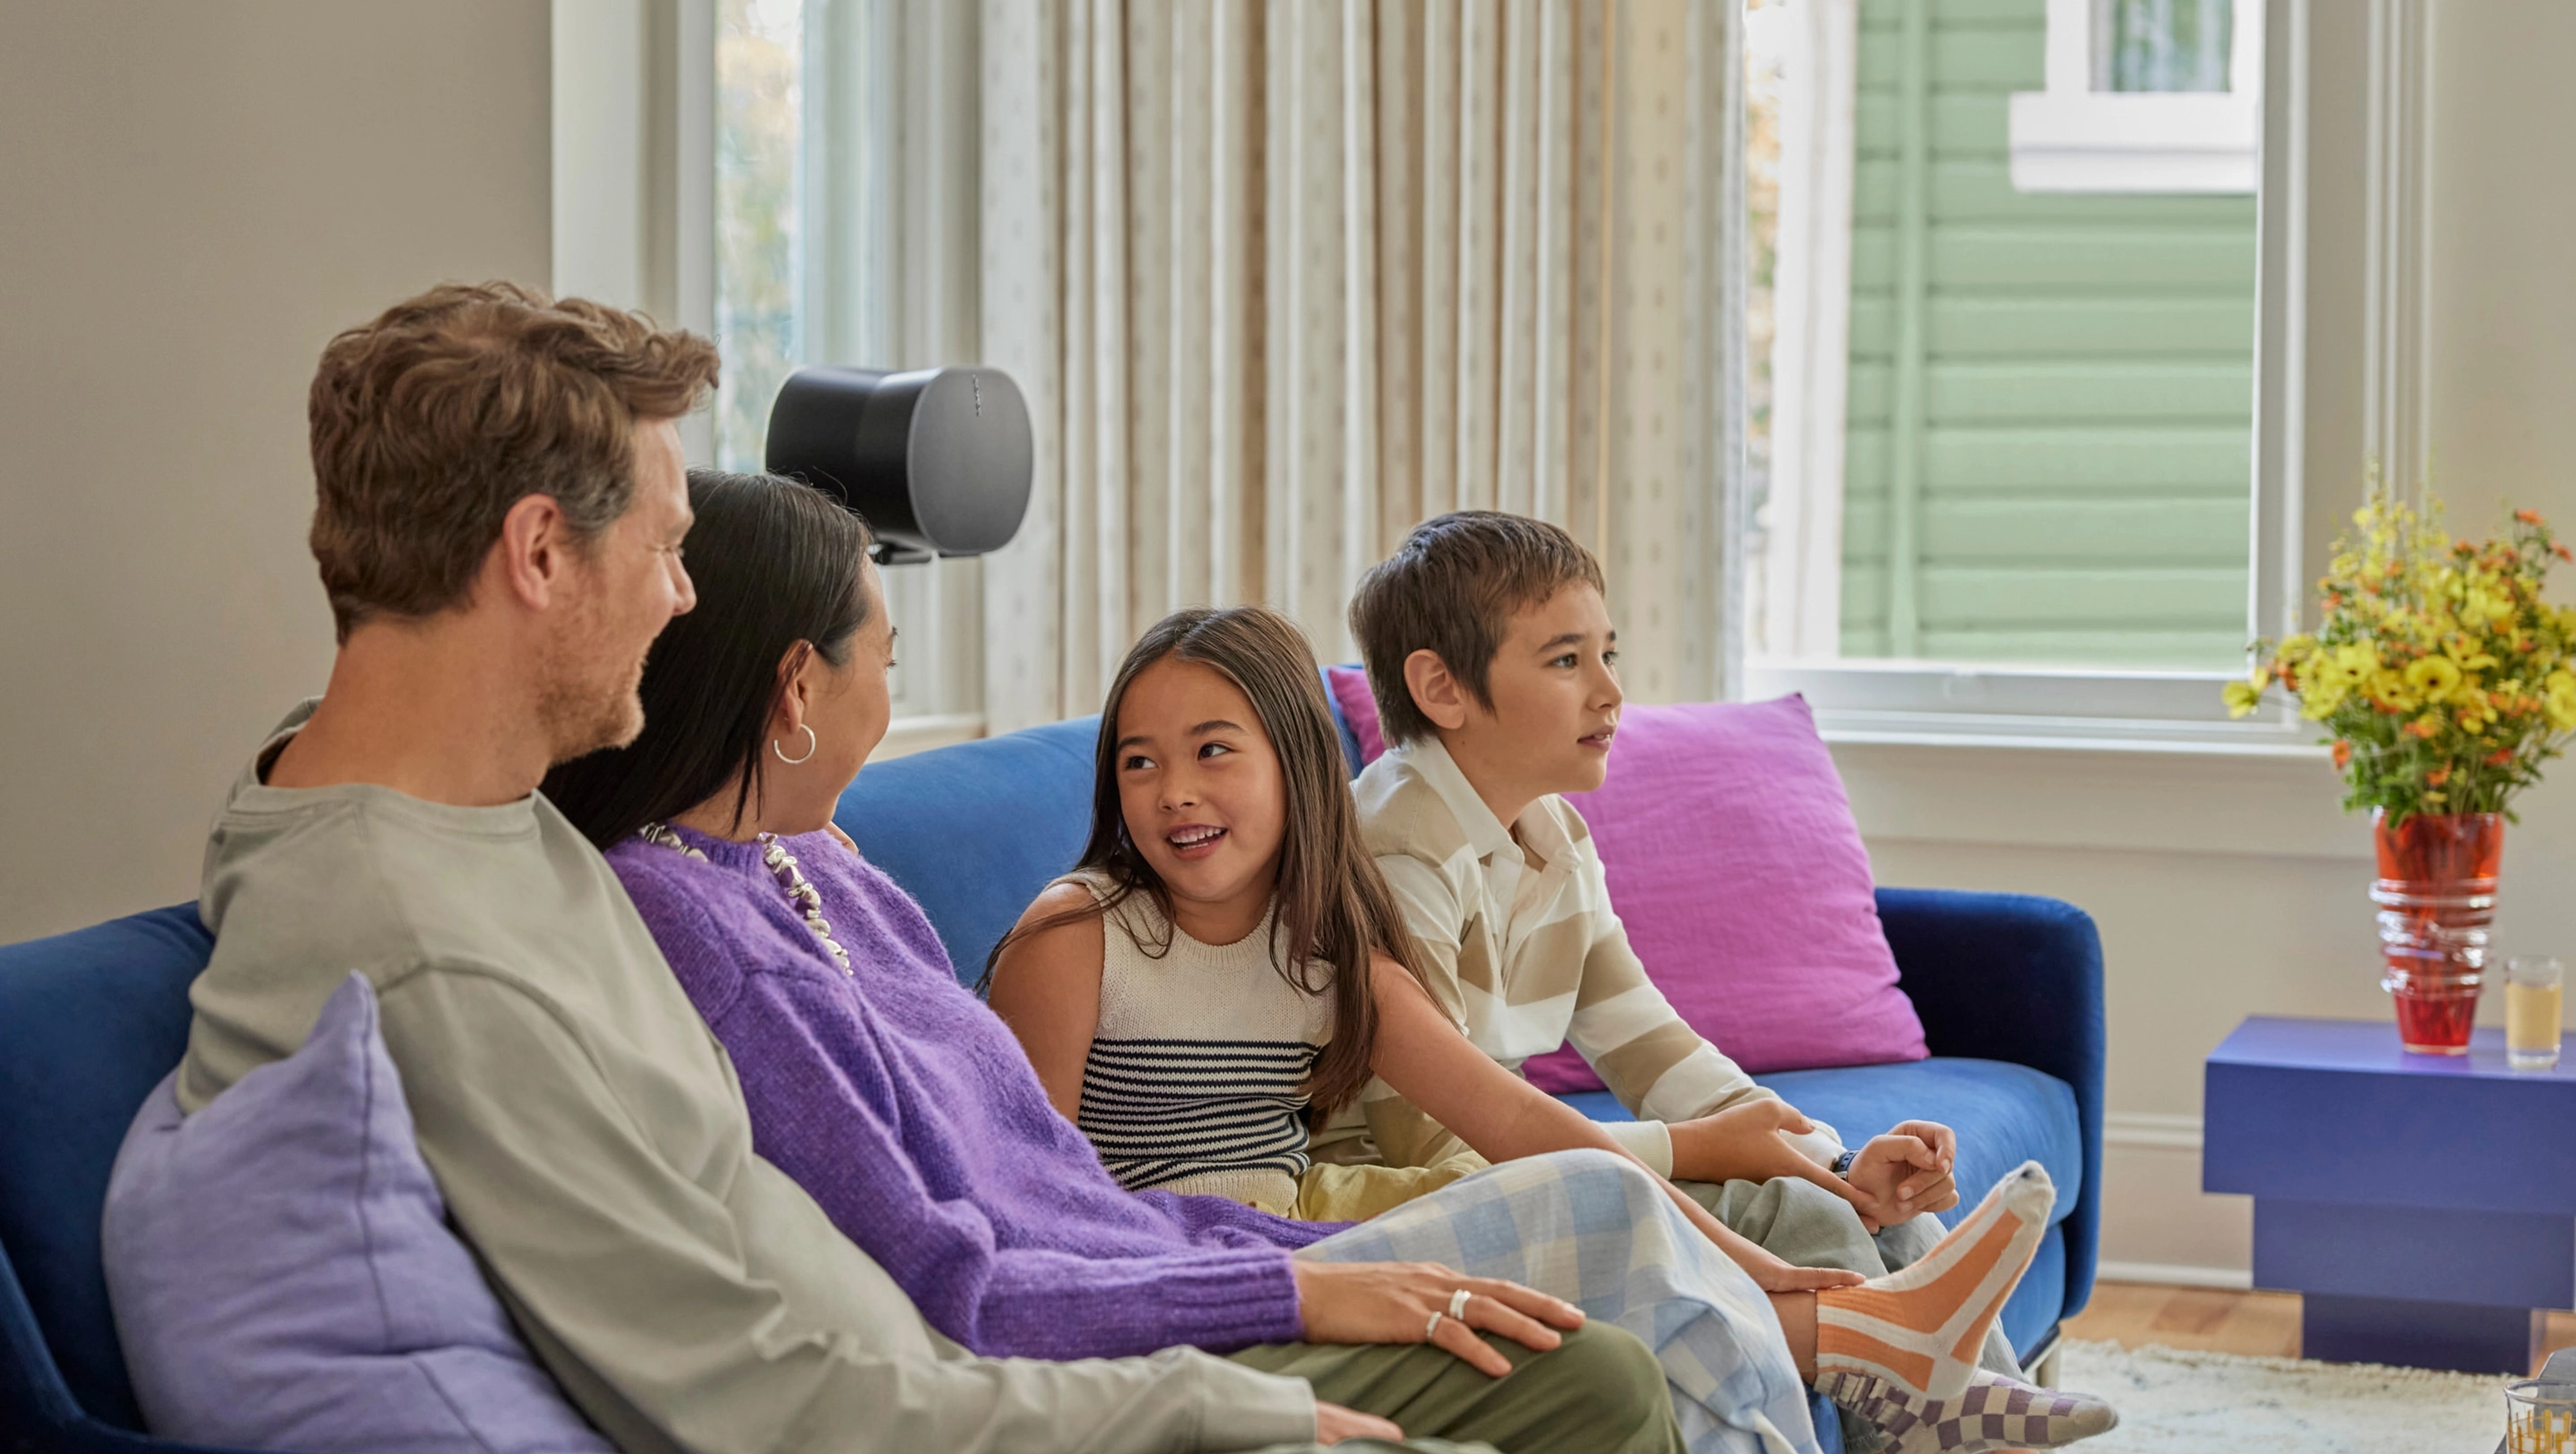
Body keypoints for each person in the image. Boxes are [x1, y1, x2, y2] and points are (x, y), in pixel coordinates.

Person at [176, 282, 1678, 1454]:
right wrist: (1226, 1402)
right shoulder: (432, 947)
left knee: (1581, 1355)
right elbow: (764, 1386)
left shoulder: (436, 800)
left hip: (987, 1348)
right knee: (1588, 1387)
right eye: (668, 547)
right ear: (537, 555)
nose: (686, 599)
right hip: (959, 1397)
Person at [987, 606, 2114, 1454]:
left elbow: (1517, 1118)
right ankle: (1887, 1346)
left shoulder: (1325, 941)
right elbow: (1025, 1197)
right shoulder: (1081, 936)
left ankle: (1898, 1353)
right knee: (1610, 1208)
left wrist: (1759, 1253)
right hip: (1195, 1255)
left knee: (1618, 1192)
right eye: (1141, 762)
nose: (1174, 791)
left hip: (1305, 1219)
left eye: (1213, 751)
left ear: (1295, 761)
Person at [1340, 511, 2038, 1449]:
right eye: (1565, 661)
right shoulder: (1396, 849)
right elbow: (1434, 1138)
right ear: (1442, 689)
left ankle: (1995, 1428)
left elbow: (1658, 1050)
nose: (1611, 691)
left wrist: (1835, 1161)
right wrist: (1712, 1152)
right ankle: (1934, 1422)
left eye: (1608, 653)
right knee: (1786, 1211)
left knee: (1865, 1215)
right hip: (1408, 1198)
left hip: (1517, 1168)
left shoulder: (1554, 839)